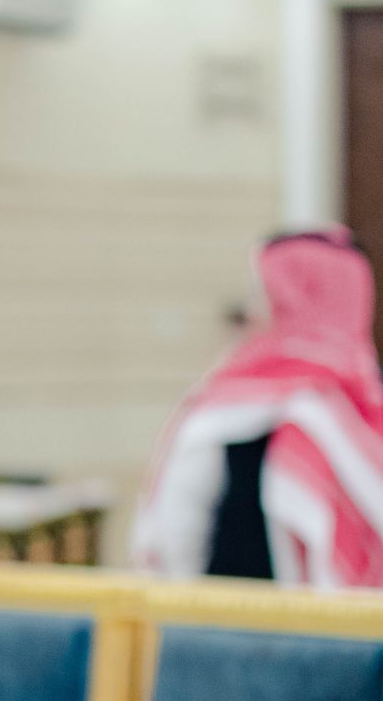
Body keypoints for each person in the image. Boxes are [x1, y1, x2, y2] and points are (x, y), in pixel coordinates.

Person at [133, 226, 383, 585]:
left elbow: (177, 542)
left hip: (231, 613)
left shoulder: (225, 411)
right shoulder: (367, 410)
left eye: (260, 294)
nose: (249, 311)